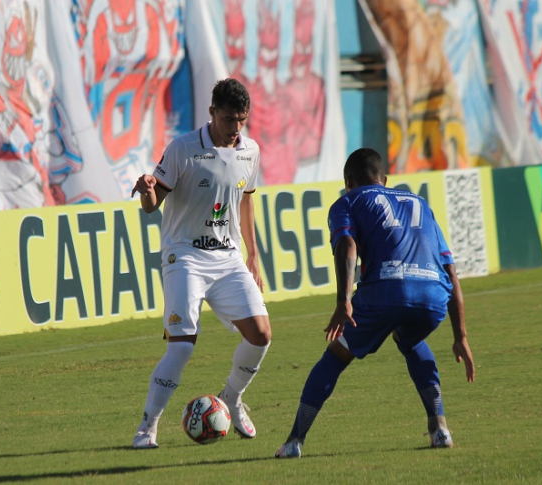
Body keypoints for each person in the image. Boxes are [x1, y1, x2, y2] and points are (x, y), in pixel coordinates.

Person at [275, 147, 475, 458]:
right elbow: (451, 270)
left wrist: (344, 301)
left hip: (385, 291)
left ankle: (293, 441)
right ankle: (440, 429)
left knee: (335, 357)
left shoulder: (348, 201)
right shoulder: (421, 203)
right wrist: (460, 336)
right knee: (410, 339)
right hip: (434, 296)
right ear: (384, 179)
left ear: (348, 181)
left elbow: (347, 245)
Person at [129, 78, 271, 449]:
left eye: (241, 119)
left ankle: (233, 398)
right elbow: (152, 204)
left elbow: (246, 200)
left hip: (228, 259)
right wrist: (146, 191)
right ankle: (148, 426)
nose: (235, 128)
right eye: (228, 119)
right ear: (211, 113)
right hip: (185, 256)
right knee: (181, 347)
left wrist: (252, 255)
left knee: (261, 334)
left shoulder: (250, 150)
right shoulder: (183, 149)